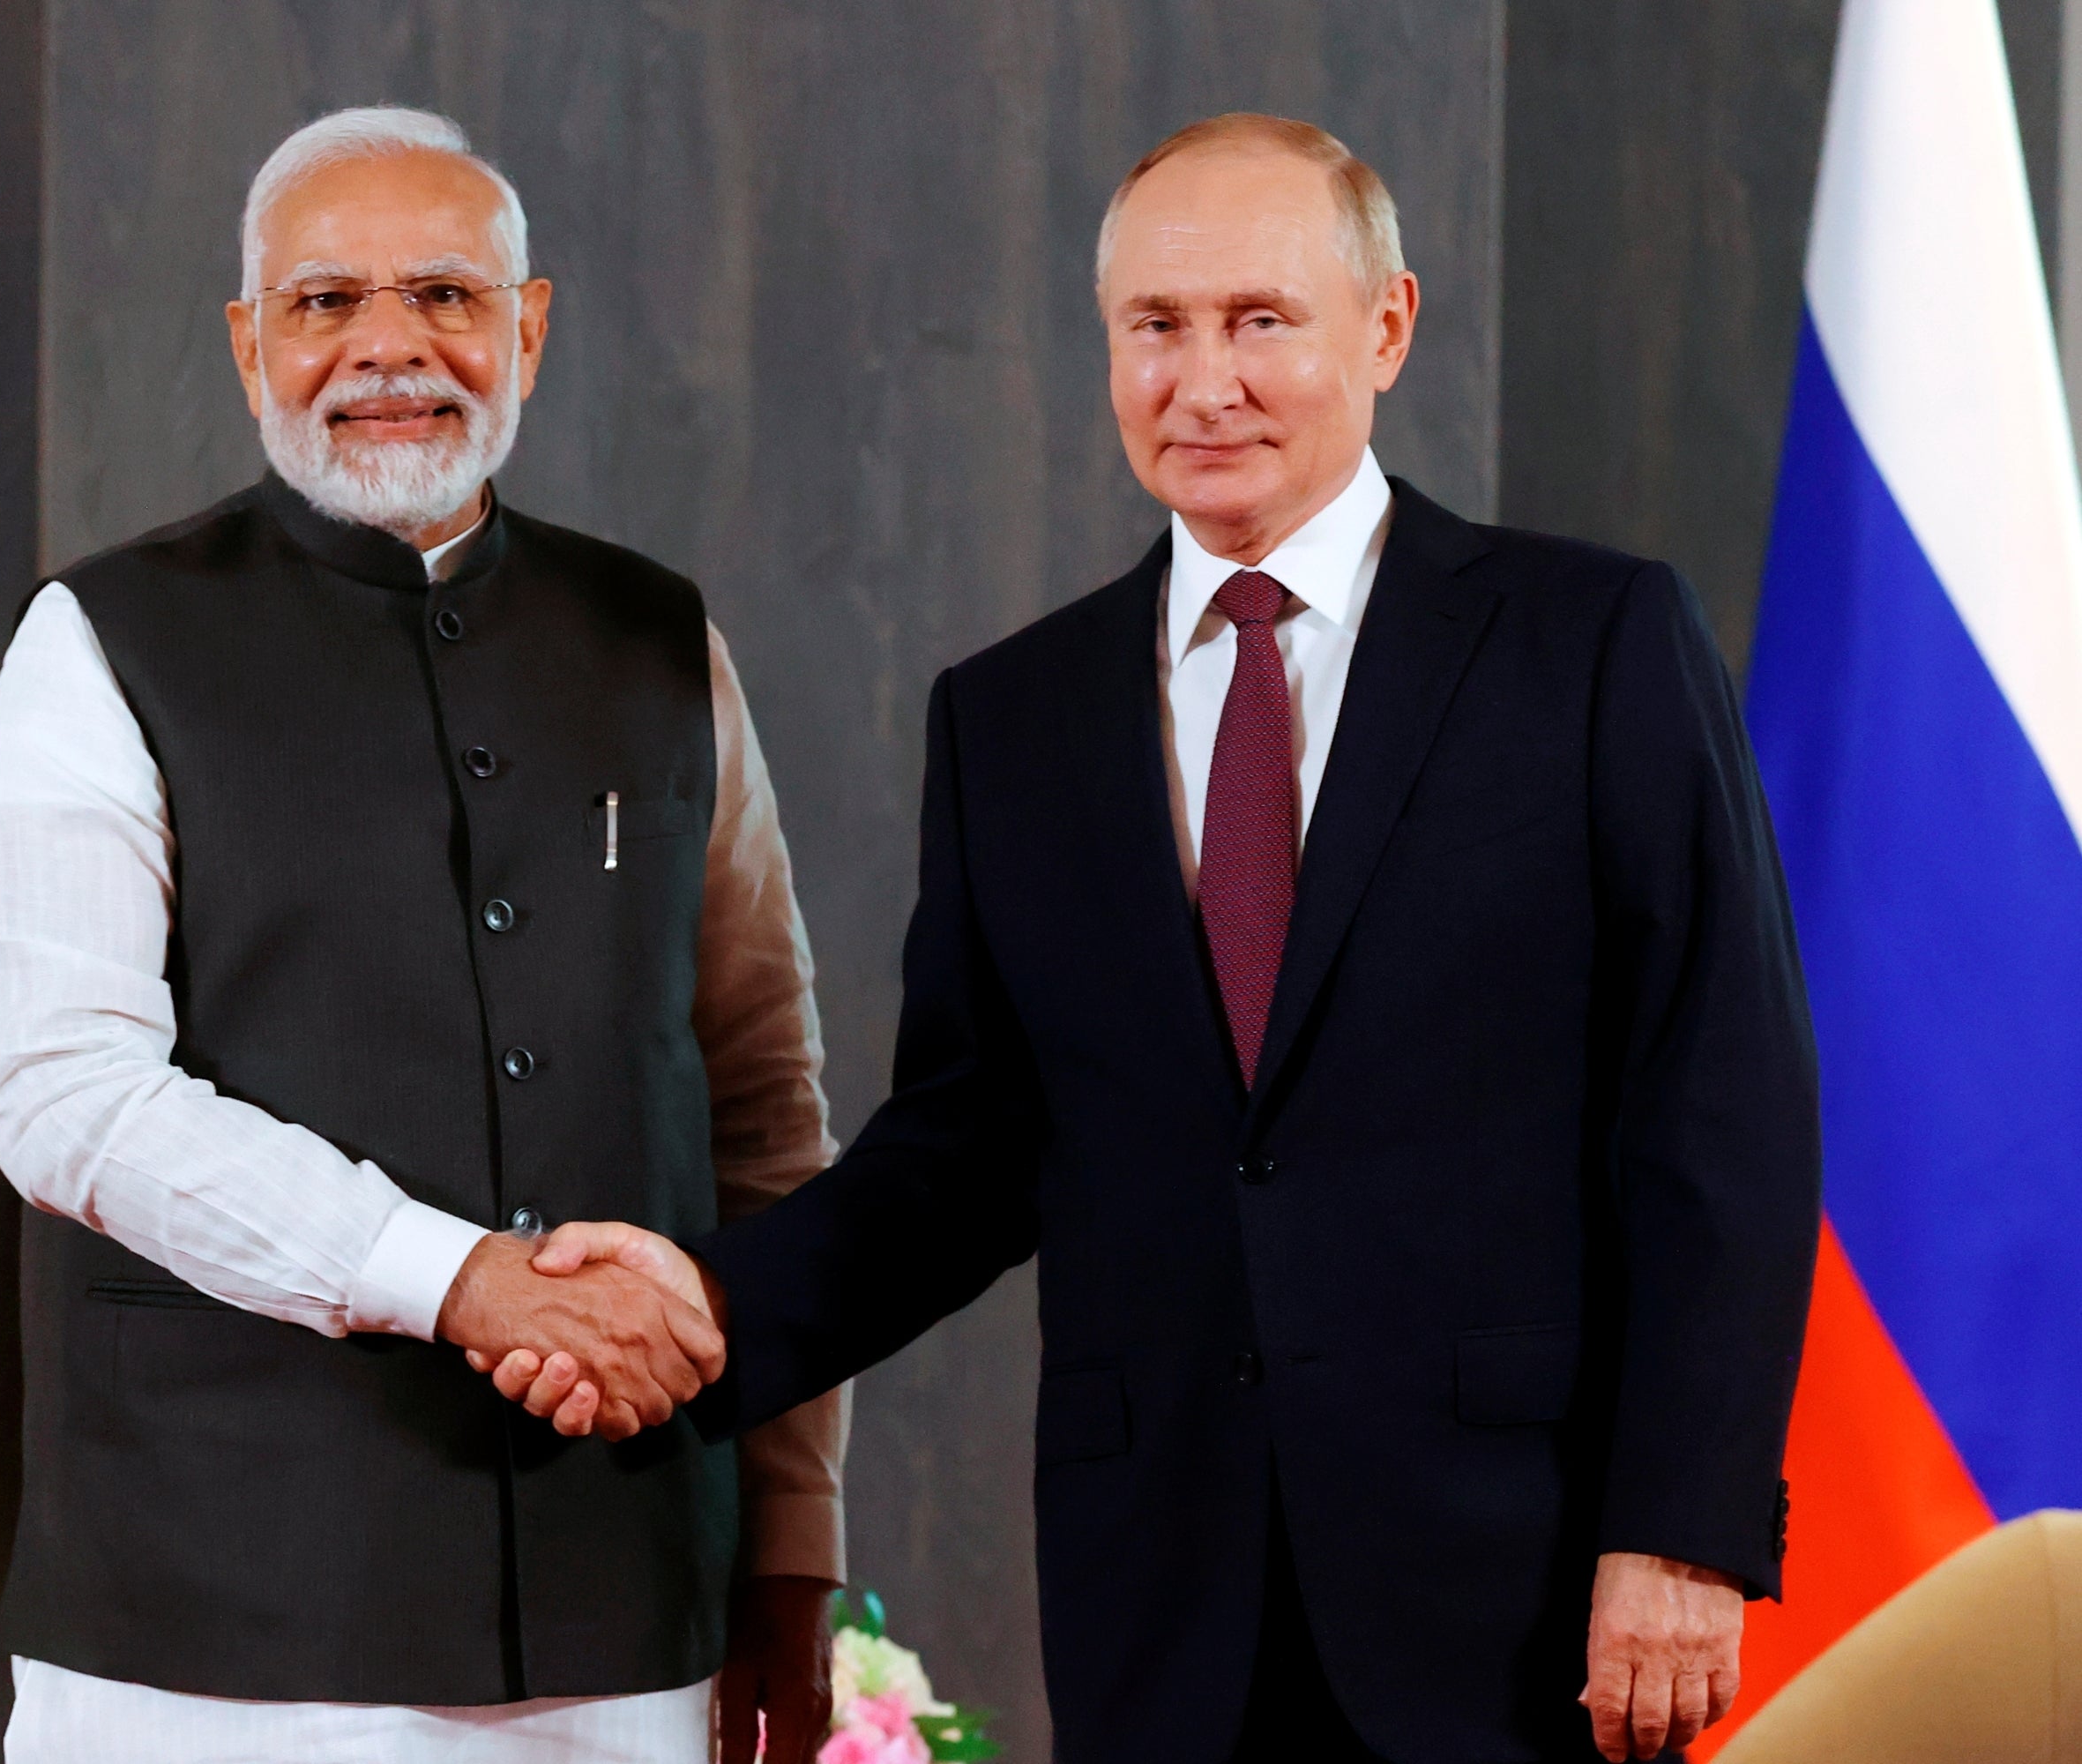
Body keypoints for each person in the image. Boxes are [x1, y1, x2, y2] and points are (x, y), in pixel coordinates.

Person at [496, 114, 1823, 1763]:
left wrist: (1682, 1526)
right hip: (1164, 1603)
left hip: (1521, 1593)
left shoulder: (1593, 644)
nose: (1206, 384)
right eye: (1157, 328)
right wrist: (708, 1304)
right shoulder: (1015, 718)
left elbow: (1723, 1112)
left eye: (1261, 321)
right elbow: (963, 1155)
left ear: (1387, 326)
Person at [0, 106, 846, 1763]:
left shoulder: (661, 641)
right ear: (246, 345)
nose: (389, 348)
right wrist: (464, 1282)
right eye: (323, 302)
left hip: (627, 1621)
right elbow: (60, 1093)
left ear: (530, 328)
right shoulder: (98, 640)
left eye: (445, 293)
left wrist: (790, 1550)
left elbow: (762, 1119)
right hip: (210, 1639)